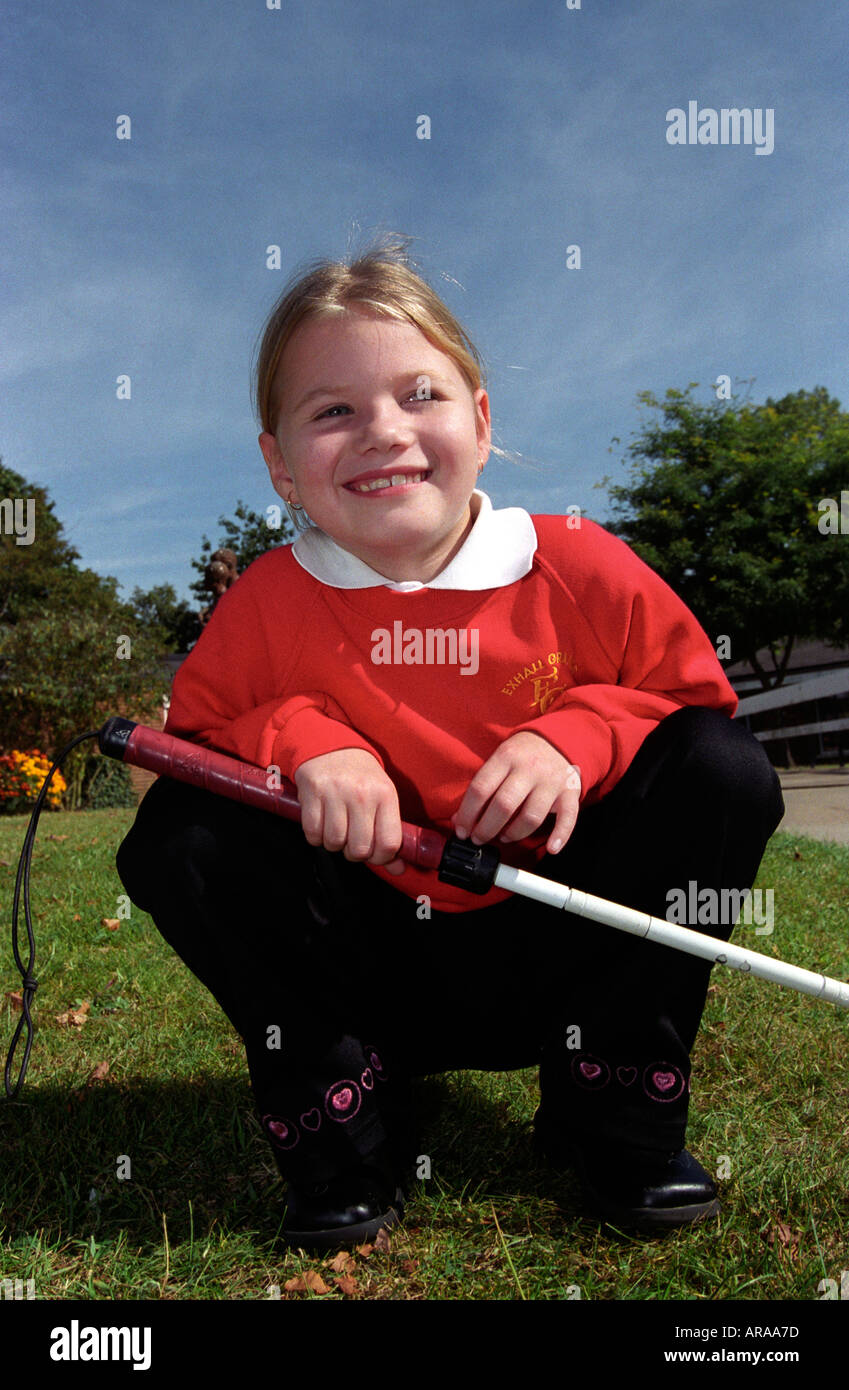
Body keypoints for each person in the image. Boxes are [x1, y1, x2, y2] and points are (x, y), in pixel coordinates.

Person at [115, 237, 784, 1249]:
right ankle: (347, 1129)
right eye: (333, 411)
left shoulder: (579, 562)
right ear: (280, 464)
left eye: (418, 395)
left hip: (565, 945)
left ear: (478, 419)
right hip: (372, 967)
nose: (382, 432)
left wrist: (579, 734)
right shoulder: (263, 605)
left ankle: (612, 1112)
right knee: (182, 835)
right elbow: (174, 758)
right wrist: (301, 740)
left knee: (723, 775)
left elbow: (699, 708)